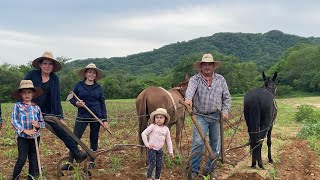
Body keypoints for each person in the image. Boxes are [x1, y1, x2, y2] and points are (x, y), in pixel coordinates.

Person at [24, 51, 87, 164]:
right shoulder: (31, 75)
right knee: (33, 138)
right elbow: (23, 91)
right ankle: (34, 168)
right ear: (40, 64)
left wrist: (60, 117)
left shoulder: (54, 79)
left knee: (62, 130)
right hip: (31, 111)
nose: (47, 66)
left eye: (50, 64)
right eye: (45, 63)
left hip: (48, 113)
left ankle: (76, 152)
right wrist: (27, 104)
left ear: (53, 66)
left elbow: (57, 99)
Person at [185, 53, 231, 178]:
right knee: (199, 142)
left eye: (209, 64)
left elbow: (226, 97)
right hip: (200, 115)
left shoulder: (220, 79)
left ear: (213, 66)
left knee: (215, 144)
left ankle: (210, 169)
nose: (207, 67)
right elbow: (190, 91)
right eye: (204, 64)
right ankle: (194, 170)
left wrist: (225, 111)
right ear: (201, 66)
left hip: (216, 116)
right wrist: (188, 99)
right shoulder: (195, 79)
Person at [62, 63, 109, 170]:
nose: (91, 74)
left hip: (96, 116)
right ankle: (70, 162)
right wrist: (77, 103)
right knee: (75, 138)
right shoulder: (79, 85)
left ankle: (91, 161)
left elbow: (102, 103)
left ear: (95, 75)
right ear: (85, 73)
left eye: (93, 72)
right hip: (82, 115)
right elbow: (71, 98)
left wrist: (104, 120)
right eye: (89, 72)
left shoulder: (98, 87)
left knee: (94, 139)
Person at [11, 80, 45, 180]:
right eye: (24, 92)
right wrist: (25, 130)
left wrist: (38, 124)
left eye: (29, 92)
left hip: (35, 137)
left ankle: (31, 178)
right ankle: (15, 178)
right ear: (20, 94)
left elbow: (42, 122)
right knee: (22, 158)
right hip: (23, 137)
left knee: (33, 158)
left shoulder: (36, 107)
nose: (27, 95)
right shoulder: (17, 106)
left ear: (33, 94)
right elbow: (14, 121)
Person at [141, 108, 174, 180]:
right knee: (152, 164)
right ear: (154, 118)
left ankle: (157, 178)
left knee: (159, 165)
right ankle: (149, 177)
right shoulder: (152, 126)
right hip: (152, 149)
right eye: (157, 117)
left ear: (165, 119)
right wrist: (147, 144)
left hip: (160, 150)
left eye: (161, 117)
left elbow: (168, 141)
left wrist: (171, 151)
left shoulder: (166, 129)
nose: (159, 119)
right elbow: (143, 134)